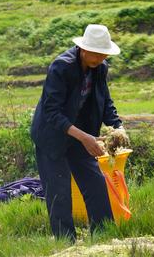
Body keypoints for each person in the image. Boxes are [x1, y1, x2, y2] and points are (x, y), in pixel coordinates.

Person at [31, 24, 130, 242]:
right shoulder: (61, 68)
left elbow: (105, 102)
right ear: (83, 49)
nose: (99, 58)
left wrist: (117, 126)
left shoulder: (100, 68)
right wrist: (85, 137)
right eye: (95, 53)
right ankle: (66, 245)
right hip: (52, 136)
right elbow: (51, 111)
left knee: (96, 184)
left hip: (81, 135)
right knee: (59, 193)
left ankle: (104, 238)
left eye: (102, 54)